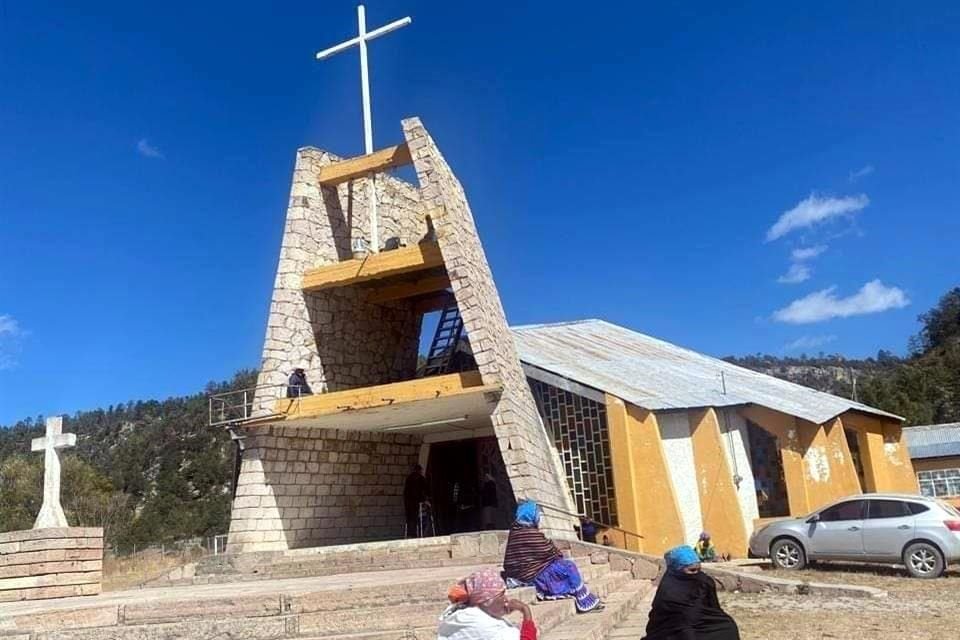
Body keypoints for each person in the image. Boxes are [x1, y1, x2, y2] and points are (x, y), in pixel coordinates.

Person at [502, 501, 604, 614]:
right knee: (569, 567)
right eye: (537, 515)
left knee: (563, 566)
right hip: (533, 573)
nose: (538, 518)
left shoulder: (515, 531)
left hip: (524, 572)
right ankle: (584, 601)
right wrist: (555, 554)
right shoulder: (530, 533)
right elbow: (549, 551)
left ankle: (583, 597)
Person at [642, 545, 740, 640]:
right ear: (677, 571)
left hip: (703, 625)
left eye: (699, 570)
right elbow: (667, 623)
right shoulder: (668, 592)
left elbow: (714, 609)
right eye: (692, 570)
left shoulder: (704, 582)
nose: (697, 574)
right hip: (673, 632)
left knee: (728, 626)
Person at [438, 568, 538, 640]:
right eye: (501, 595)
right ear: (486, 601)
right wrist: (525, 611)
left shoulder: (462, 615)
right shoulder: (479, 622)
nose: (506, 600)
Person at [403, 464, 430, 537]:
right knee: (417, 519)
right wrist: (425, 500)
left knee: (410, 519)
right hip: (416, 503)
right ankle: (417, 534)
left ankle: (410, 534)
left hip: (408, 503)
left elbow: (407, 492)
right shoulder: (420, 478)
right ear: (420, 471)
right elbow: (423, 490)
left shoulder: (409, 478)